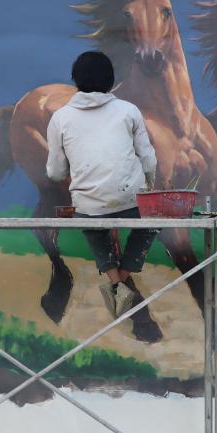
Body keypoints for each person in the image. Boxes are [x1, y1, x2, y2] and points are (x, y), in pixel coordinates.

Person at [46, 50, 159, 319]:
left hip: (89, 205)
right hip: (130, 199)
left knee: (93, 227)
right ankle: (124, 274)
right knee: (150, 223)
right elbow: (149, 159)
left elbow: (55, 172)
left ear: (76, 80)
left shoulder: (60, 118)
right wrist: (149, 185)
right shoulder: (128, 111)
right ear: (111, 81)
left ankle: (115, 281)